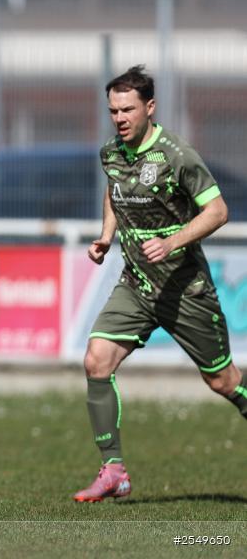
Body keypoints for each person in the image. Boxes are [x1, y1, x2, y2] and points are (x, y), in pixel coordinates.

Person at [74, 65, 247, 502]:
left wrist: (173, 242)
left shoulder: (176, 155)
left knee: (224, 382)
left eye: (128, 109)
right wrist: (106, 236)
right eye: (113, 110)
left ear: (150, 107)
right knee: (97, 360)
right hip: (136, 285)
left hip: (185, 290)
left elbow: (217, 211)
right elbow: (115, 192)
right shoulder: (112, 153)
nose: (119, 117)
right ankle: (112, 469)